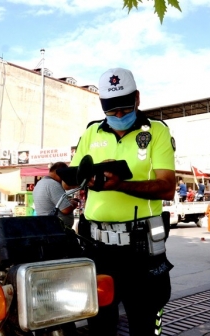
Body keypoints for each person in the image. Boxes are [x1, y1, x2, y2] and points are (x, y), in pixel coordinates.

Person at [69, 68, 176, 336]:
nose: (118, 115)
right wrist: (84, 180)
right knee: (99, 325)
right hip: (98, 249)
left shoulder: (157, 131)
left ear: (137, 98)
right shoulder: (91, 133)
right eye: (111, 110)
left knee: (145, 323)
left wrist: (121, 185)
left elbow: (167, 188)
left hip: (142, 251)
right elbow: (71, 180)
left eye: (124, 108)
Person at [32, 161, 78, 227]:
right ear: (60, 173)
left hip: (47, 225)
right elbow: (66, 209)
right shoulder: (53, 184)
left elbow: (54, 204)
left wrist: (68, 202)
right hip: (57, 228)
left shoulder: (40, 183)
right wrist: (73, 204)